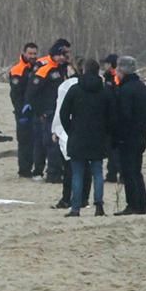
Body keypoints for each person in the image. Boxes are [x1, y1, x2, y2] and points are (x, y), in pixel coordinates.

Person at [59, 59, 116, 217]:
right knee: (97, 172)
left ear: (83, 71)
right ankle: (99, 206)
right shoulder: (105, 91)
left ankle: (75, 207)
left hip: (78, 135)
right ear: (98, 71)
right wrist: (106, 133)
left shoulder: (75, 89)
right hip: (98, 137)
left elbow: (63, 114)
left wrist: (71, 130)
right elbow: (112, 116)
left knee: (77, 173)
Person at [23, 41, 70, 183]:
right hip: (48, 112)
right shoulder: (45, 68)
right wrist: (40, 111)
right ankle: (51, 173)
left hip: (59, 111)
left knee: (59, 142)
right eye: (61, 55)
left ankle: (57, 171)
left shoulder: (62, 68)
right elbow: (31, 93)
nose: (64, 58)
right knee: (49, 143)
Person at [50, 57, 91, 210]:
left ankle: (67, 198)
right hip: (88, 130)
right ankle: (84, 198)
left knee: (69, 168)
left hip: (69, 130)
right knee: (87, 167)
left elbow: (60, 110)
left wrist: (55, 130)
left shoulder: (66, 86)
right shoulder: (96, 84)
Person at [114, 56, 146, 215]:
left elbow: (124, 116)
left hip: (129, 138)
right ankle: (142, 206)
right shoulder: (142, 87)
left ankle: (133, 205)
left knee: (129, 172)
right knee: (137, 171)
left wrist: (120, 136)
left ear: (121, 70)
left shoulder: (125, 90)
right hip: (142, 135)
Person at [10, 42, 40, 178]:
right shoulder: (17, 70)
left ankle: (35, 168)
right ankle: (24, 170)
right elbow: (16, 95)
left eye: (34, 54)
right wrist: (21, 112)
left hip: (36, 109)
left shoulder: (38, 67)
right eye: (30, 53)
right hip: (22, 110)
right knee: (24, 141)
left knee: (36, 140)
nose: (32, 56)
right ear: (24, 53)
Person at [102, 54, 122, 183]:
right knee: (110, 147)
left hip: (114, 116)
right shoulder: (108, 77)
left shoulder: (115, 78)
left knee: (113, 148)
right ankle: (111, 173)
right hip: (110, 116)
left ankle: (115, 172)